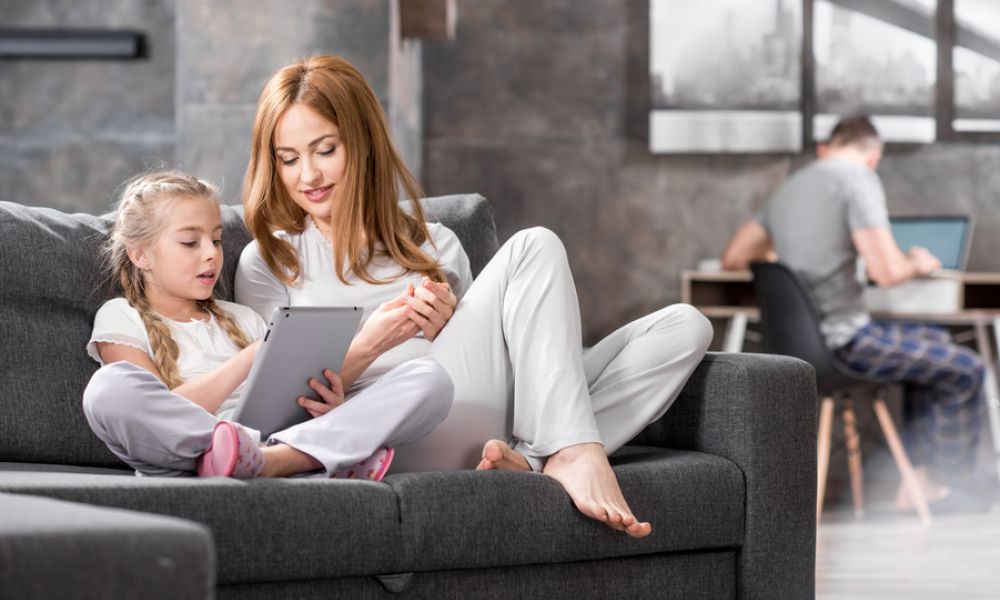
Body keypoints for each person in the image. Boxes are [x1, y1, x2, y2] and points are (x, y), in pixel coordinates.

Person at [235, 55, 713, 538]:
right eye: (289, 158)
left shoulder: (436, 242)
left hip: (496, 420)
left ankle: (532, 458)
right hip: (394, 432)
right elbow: (268, 421)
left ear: (362, 144)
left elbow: (493, 356)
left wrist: (446, 327)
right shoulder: (269, 261)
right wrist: (372, 343)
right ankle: (573, 451)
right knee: (534, 244)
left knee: (685, 326)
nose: (308, 175)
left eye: (325, 150)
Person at [82, 170, 453, 479]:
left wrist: (329, 405)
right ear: (140, 254)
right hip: (182, 443)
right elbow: (162, 408)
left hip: (271, 438)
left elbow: (282, 405)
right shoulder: (121, 315)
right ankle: (300, 455)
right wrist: (249, 358)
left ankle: (275, 459)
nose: (211, 253)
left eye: (215, 240)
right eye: (190, 242)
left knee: (429, 380)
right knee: (107, 390)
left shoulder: (242, 318)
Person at [721, 115, 985, 510]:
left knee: (934, 344)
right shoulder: (857, 180)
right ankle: (951, 486)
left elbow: (734, 258)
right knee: (966, 368)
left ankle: (917, 479)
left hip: (798, 344)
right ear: (873, 156)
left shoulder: (790, 187)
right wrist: (917, 261)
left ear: (827, 146)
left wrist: (789, 262)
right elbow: (886, 271)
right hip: (845, 342)